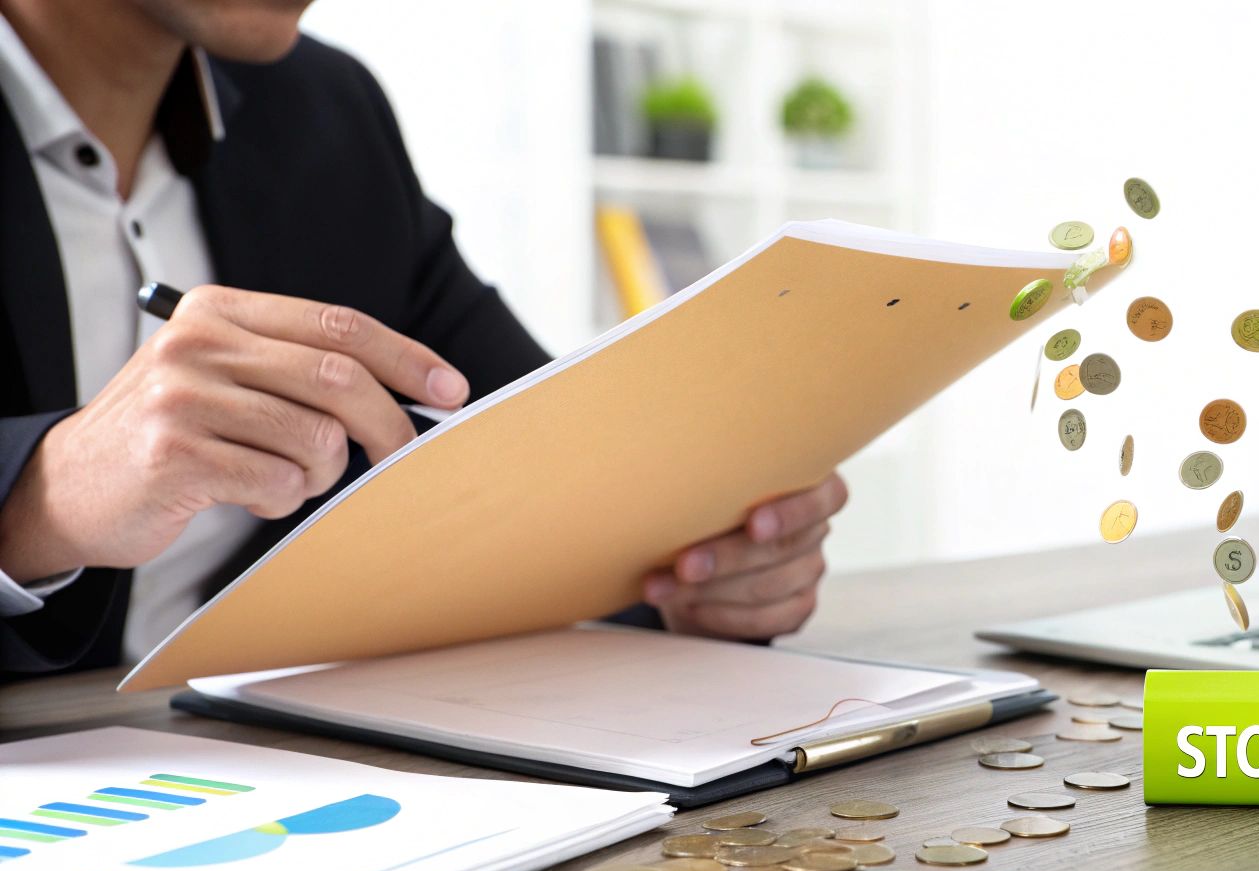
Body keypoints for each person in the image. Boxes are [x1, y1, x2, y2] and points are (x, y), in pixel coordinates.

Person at [0, 0, 844, 682]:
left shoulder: (325, 111)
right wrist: (43, 499)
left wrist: (694, 568)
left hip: (282, 777)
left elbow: (544, 451)